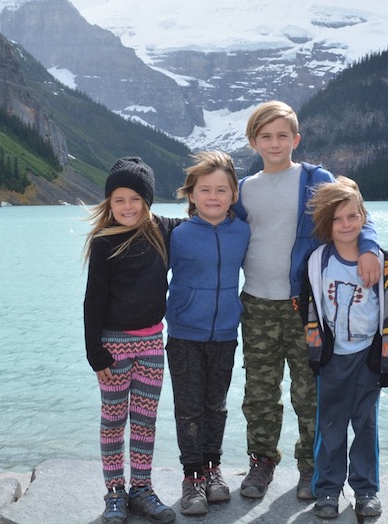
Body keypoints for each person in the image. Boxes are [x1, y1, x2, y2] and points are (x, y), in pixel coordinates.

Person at [230, 100, 382, 501]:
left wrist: (368, 246)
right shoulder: (244, 189)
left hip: (307, 308)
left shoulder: (316, 180)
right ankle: (261, 462)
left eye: (282, 135)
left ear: (296, 139)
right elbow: (212, 221)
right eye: (266, 136)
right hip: (257, 304)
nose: (275, 143)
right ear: (253, 142)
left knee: (309, 390)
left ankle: (310, 467)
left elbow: (358, 213)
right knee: (259, 390)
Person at [299, 176, 388, 519]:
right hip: (332, 360)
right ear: (324, 223)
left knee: (365, 426)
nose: (345, 225)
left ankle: (366, 490)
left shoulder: (381, 262)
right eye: (336, 218)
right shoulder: (317, 262)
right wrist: (316, 349)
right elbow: (308, 304)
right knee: (329, 427)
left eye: (352, 216)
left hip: (367, 359)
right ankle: (327, 490)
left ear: (364, 217)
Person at [83, 157, 178, 524]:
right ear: (109, 202)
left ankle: (141, 488)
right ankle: (114, 493)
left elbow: (202, 221)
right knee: (113, 419)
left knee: (144, 419)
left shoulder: (163, 231)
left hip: (153, 343)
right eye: (119, 199)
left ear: (148, 201)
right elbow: (93, 300)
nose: (127, 207)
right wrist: (96, 354)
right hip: (113, 346)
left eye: (135, 199)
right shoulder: (104, 243)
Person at [166, 151, 251, 516]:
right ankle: (192, 477)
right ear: (192, 195)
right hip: (184, 334)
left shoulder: (244, 232)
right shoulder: (178, 235)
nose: (213, 197)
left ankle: (213, 469)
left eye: (221, 190)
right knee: (188, 408)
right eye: (205, 190)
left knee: (215, 405)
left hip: (225, 334)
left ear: (234, 193)